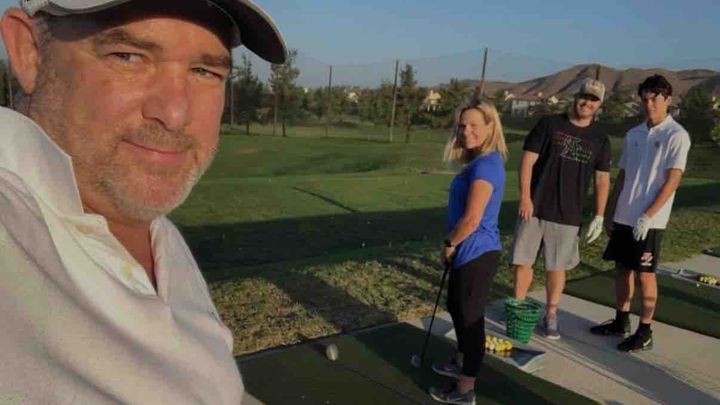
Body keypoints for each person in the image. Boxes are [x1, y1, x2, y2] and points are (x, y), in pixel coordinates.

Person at [0, 0, 286, 403]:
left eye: (205, 71)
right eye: (128, 56)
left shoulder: (156, 231)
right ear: (29, 52)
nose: (174, 113)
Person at [590, 75, 691, 352]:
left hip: (650, 221)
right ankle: (621, 321)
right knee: (622, 270)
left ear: (668, 100)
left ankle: (645, 331)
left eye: (655, 99)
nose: (649, 105)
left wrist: (648, 215)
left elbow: (673, 180)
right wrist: (610, 212)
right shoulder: (633, 134)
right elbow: (623, 176)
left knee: (645, 275)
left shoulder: (677, 135)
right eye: (645, 99)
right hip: (624, 215)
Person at [511, 79, 611, 339]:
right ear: (576, 97)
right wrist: (525, 198)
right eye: (584, 97)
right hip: (535, 207)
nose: (587, 103)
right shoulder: (549, 124)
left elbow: (602, 179)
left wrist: (599, 215)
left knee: (557, 267)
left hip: (569, 213)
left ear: (599, 104)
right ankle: (517, 309)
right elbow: (527, 162)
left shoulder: (600, 139)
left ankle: (551, 314)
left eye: (593, 100)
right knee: (523, 261)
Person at [428, 101, 508, 405]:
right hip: (469, 251)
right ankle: (460, 363)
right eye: (463, 125)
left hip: (477, 252)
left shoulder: (487, 165)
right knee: (457, 307)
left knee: (471, 321)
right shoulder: (479, 162)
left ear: (490, 126)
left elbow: (473, 218)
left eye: (474, 125)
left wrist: (449, 243)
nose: (466, 131)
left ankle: (465, 390)